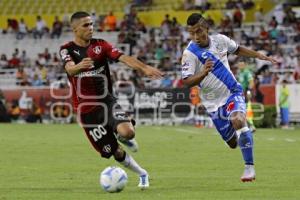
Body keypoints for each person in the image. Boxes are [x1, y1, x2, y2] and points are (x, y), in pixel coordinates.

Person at [59, 11, 163, 189]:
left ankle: (120, 132)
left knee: (128, 133)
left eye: (91, 24)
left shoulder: (101, 45)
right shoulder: (67, 49)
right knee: (114, 151)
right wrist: (79, 67)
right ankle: (142, 173)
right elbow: (69, 70)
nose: (90, 28)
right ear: (74, 28)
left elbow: (124, 58)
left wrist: (144, 68)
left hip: (106, 101)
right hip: (86, 111)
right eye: (85, 25)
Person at [181, 13, 277, 182]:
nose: (196, 36)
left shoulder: (220, 40)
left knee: (239, 120)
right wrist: (203, 73)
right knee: (232, 143)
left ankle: (249, 168)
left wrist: (258, 55)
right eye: (192, 33)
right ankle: (235, 138)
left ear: (206, 28)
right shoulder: (189, 54)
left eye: (199, 31)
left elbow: (237, 49)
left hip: (232, 92)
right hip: (212, 104)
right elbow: (187, 81)